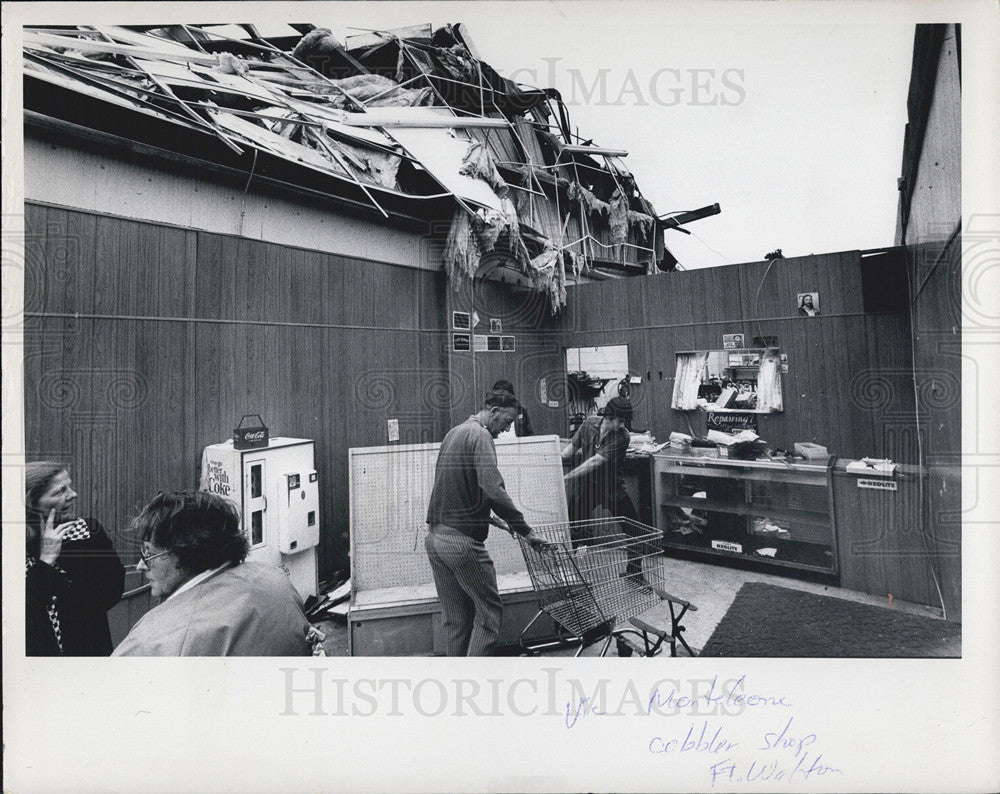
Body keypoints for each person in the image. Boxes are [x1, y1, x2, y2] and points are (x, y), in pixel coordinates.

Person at [113, 490, 315, 656]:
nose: (141, 565)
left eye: (148, 553)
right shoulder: (276, 579)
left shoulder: (150, 641)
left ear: (186, 552)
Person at [425, 389, 550, 656]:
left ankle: (457, 685)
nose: (505, 430)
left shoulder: (454, 433)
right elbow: (493, 489)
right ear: (493, 412)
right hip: (461, 544)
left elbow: (456, 490)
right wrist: (526, 531)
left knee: (456, 620)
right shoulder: (481, 436)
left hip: (436, 540)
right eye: (506, 422)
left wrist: (491, 519)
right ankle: (475, 683)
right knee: (489, 615)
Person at [25, 462, 125, 656]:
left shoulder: (87, 531)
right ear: (31, 503)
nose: (73, 494)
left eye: (69, 486)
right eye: (60, 491)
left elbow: (113, 589)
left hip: (88, 651)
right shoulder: (12, 544)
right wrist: (46, 561)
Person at [562, 396, 655, 577]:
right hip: (587, 486)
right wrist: (552, 460)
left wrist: (567, 477)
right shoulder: (589, 424)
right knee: (575, 525)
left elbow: (595, 462)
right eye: (618, 420)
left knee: (633, 528)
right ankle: (574, 571)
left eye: (624, 421)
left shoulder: (623, 436)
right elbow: (570, 449)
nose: (621, 425)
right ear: (608, 416)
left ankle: (635, 572)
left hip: (611, 487)